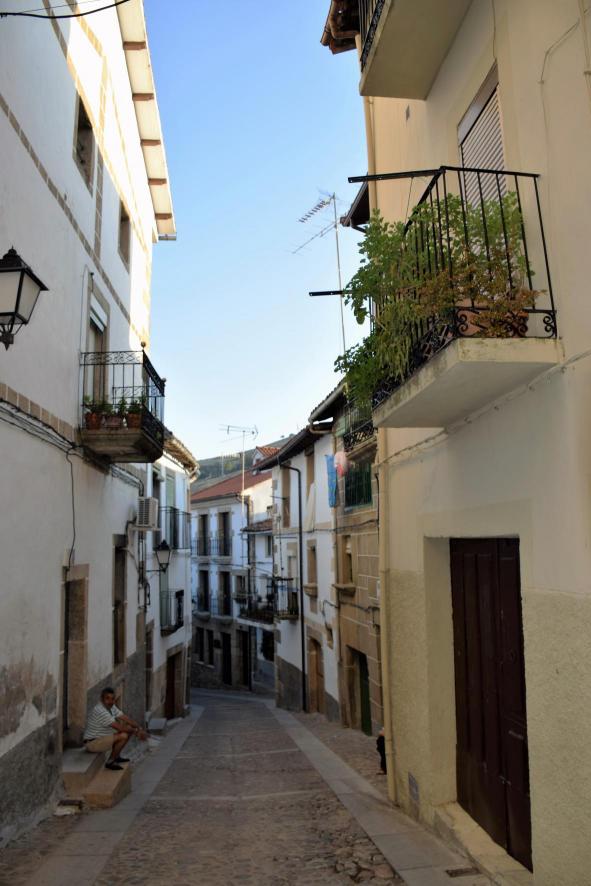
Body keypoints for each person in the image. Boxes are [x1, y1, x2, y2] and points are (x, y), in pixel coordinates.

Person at [83, 687, 148, 771]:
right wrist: (136, 732)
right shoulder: (100, 711)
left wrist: (139, 728)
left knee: (128, 728)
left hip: (102, 738)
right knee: (123, 735)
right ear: (102, 699)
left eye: (112, 699)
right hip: (92, 743)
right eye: (107, 698)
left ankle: (116, 756)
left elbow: (125, 718)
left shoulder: (111, 707)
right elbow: (119, 728)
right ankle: (110, 761)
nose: (110, 701)